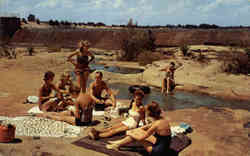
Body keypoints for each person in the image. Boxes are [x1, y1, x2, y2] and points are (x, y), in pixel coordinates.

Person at [106, 101, 171, 156]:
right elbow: (147, 126)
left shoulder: (156, 124)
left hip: (157, 152)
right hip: (164, 146)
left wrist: (130, 133)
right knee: (138, 131)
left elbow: (141, 138)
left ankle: (117, 145)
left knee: (137, 135)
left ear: (150, 112)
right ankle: (118, 143)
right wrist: (135, 130)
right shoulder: (162, 119)